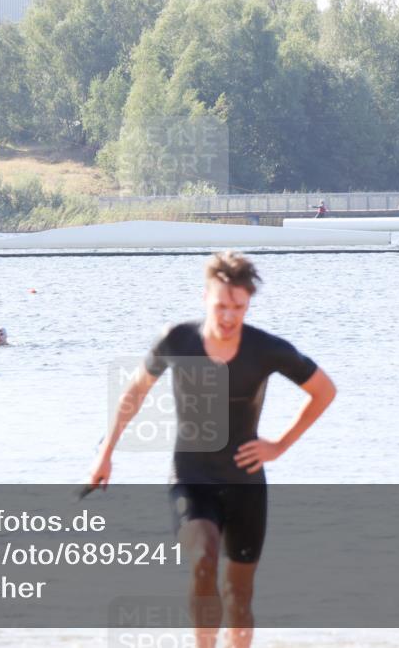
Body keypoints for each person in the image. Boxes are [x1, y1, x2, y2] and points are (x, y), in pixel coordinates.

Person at [88, 251, 337, 648]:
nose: (228, 316)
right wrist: (107, 451)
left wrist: (280, 445)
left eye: (238, 307)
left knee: (239, 596)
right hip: (192, 478)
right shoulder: (178, 340)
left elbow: (323, 391)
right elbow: (135, 391)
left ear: (248, 303)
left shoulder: (266, 349)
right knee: (202, 560)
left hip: (245, 483)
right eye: (221, 306)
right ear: (205, 297)